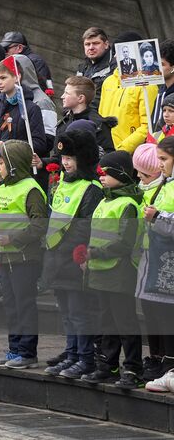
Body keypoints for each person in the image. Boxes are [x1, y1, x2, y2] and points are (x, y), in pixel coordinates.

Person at [43, 128, 103, 379]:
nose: (65, 162)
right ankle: (71, 354)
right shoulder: (62, 185)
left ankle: (85, 358)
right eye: (63, 157)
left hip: (73, 260)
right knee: (66, 313)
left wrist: (71, 251)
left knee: (79, 314)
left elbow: (86, 226)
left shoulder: (91, 188)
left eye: (71, 158)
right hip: (57, 259)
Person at [82, 150, 143, 386]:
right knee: (106, 321)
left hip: (120, 271)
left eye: (106, 173)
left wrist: (95, 253)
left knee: (125, 322)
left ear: (121, 174)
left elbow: (125, 242)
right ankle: (108, 366)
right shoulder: (104, 201)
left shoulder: (127, 204)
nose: (101, 177)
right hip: (99, 271)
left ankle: (133, 369)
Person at [0, 140, 48, 370]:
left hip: (24, 260)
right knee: (11, 306)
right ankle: (14, 349)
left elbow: (39, 225)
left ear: (13, 165)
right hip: (5, 258)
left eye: (1, 163)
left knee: (24, 305)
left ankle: (27, 351)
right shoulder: (2, 187)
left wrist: (13, 239)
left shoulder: (31, 189)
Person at [139, 136, 174, 392]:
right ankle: (163, 363)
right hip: (155, 259)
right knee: (156, 314)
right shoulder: (162, 184)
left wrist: (158, 216)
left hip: (168, 261)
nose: (159, 164)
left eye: (164, 159)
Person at [0, 57, 52, 164]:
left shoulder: (32, 108)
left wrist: (6, 147)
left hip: (18, 166)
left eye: (3, 78)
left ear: (17, 77)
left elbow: (39, 144)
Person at [100, 32, 159, 153]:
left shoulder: (148, 84)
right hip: (105, 151)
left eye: (121, 51)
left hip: (130, 154)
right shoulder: (108, 81)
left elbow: (147, 126)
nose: (116, 56)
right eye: (116, 52)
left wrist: (122, 150)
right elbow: (101, 117)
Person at [54, 76, 113, 157]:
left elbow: (107, 156)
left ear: (80, 98)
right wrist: (42, 163)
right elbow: (58, 157)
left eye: (67, 93)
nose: (62, 96)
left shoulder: (98, 125)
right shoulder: (64, 123)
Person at [78, 27, 117, 109]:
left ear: (106, 44)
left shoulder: (115, 66)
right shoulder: (82, 67)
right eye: (87, 44)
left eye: (95, 43)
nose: (91, 47)